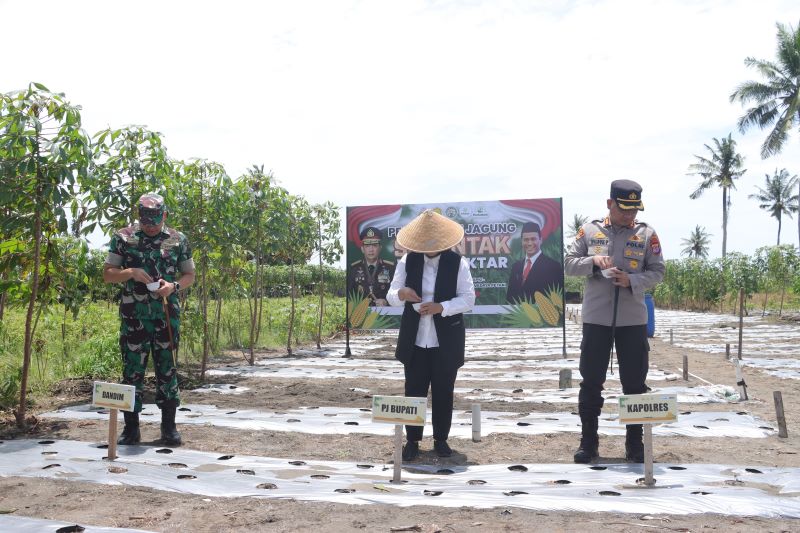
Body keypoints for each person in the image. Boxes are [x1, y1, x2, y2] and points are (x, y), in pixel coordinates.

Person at [565, 180, 665, 464]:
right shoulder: (589, 230)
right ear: (610, 204)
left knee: (635, 384)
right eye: (624, 210)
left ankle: (635, 443)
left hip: (632, 321)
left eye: (634, 211)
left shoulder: (647, 234)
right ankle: (588, 442)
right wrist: (593, 261)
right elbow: (569, 263)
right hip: (596, 318)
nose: (629, 216)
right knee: (591, 381)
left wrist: (631, 280)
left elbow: (658, 272)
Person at [103, 193, 195, 446]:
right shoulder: (124, 237)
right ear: (139, 217)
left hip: (166, 315)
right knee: (132, 371)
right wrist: (130, 272)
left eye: (155, 222)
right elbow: (108, 275)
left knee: (167, 368)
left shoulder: (178, 240)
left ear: (164, 216)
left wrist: (173, 286)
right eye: (146, 222)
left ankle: (169, 428)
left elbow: (189, 275)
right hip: (134, 316)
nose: (150, 227)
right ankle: (131, 429)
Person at [387, 210, 475, 460]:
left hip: (445, 338)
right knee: (413, 389)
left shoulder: (459, 263)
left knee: (443, 390)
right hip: (415, 338)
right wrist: (402, 293)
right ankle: (412, 440)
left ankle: (441, 439)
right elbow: (393, 297)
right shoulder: (407, 261)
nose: (429, 246)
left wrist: (442, 307)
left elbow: (468, 299)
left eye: (434, 241)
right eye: (424, 241)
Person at [506, 221, 564, 303]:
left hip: (542, 314)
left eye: (533, 239)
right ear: (522, 241)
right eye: (526, 240)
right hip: (518, 315)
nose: (529, 243)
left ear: (541, 240)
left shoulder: (553, 266)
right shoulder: (516, 266)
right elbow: (509, 298)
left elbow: (557, 297)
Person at [348, 226, 395, 306]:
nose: (371, 249)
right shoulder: (354, 268)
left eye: (374, 245)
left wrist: (386, 302)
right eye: (367, 246)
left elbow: (395, 292)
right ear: (362, 249)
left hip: (385, 314)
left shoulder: (390, 268)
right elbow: (349, 294)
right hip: (361, 315)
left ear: (380, 248)